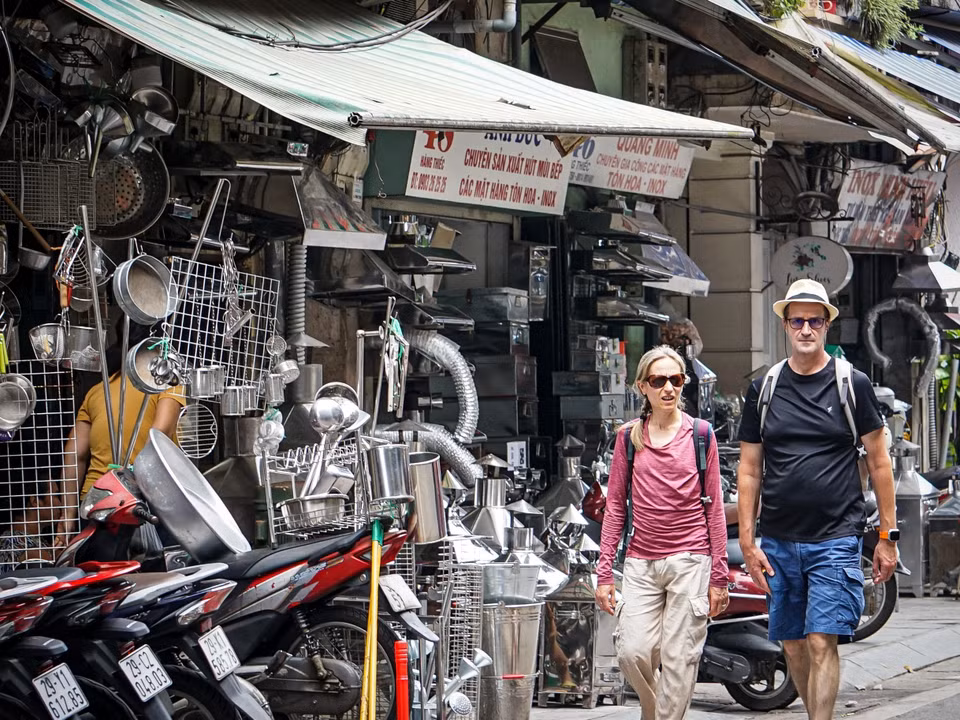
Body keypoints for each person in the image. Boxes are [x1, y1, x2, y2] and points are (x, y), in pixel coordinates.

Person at [737, 279, 897, 720]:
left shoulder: (853, 384)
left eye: (814, 320)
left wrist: (888, 535)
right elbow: (749, 469)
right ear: (786, 326)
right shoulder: (765, 389)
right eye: (797, 321)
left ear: (826, 325)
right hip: (778, 539)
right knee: (793, 643)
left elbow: (881, 463)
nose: (805, 329)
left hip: (836, 537)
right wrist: (748, 542)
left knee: (822, 638)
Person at [596, 345, 729, 720]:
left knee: (678, 658)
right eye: (659, 381)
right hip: (641, 561)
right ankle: (656, 712)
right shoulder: (628, 439)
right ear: (643, 387)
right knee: (631, 651)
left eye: (676, 379)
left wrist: (719, 577)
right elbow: (616, 506)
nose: (669, 388)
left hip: (691, 560)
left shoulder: (701, 435)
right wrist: (604, 571)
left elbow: (714, 509)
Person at [60, 319, 185, 532]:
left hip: (96, 503)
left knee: (100, 565)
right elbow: (159, 435)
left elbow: (74, 455)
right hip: (145, 502)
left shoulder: (99, 391)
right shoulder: (167, 383)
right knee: (155, 564)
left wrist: (67, 516)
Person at [0, 478, 64, 572]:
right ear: (35, 501)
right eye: (56, 495)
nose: (61, 504)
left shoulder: (11, 538)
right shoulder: (26, 547)